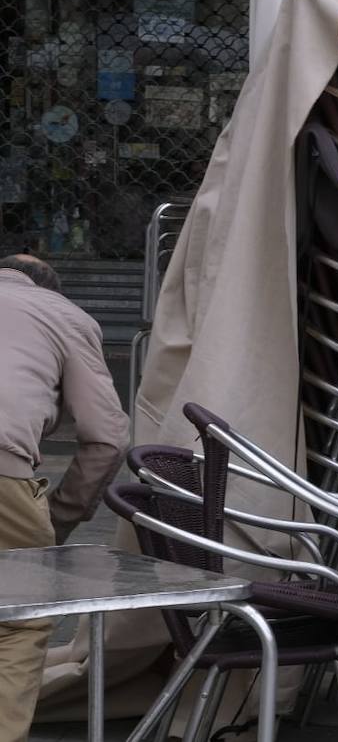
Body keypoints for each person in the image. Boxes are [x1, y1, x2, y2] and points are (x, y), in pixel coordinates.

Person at [0, 254, 129, 742]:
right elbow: (108, 438)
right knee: (18, 618)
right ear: (52, 289)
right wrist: (59, 520)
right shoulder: (64, 315)